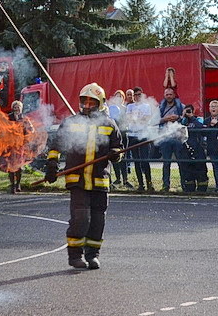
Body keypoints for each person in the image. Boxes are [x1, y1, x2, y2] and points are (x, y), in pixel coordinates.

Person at [53, 83, 124, 269]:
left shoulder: (109, 124)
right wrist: (52, 164)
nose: (87, 105)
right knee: (81, 218)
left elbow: (119, 148)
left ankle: (93, 254)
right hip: (77, 180)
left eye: (91, 102)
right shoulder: (71, 122)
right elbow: (56, 145)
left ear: (100, 103)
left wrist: (116, 153)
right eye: (84, 101)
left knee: (98, 221)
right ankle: (75, 255)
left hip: (100, 180)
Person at [0, 101, 33, 193]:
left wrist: (27, 136)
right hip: (10, 144)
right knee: (11, 165)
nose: (17, 109)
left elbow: (30, 129)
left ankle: (18, 184)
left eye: (18, 107)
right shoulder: (9, 117)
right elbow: (3, 128)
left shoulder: (24, 118)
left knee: (19, 165)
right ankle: (12, 185)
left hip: (20, 145)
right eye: (15, 107)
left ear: (21, 108)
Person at [124, 87, 155, 191]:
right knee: (136, 161)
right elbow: (128, 119)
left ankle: (149, 183)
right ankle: (141, 184)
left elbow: (146, 119)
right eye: (135, 95)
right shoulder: (130, 106)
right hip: (133, 135)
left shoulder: (146, 106)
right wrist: (136, 119)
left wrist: (135, 118)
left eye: (139, 94)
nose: (137, 97)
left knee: (145, 160)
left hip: (143, 135)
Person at [157, 85, 185, 192]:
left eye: (170, 94)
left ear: (174, 95)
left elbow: (186, 119)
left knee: (181, 162)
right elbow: (155, 121)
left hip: (178, 138)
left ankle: (184, 185)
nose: (168, 96)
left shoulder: (181, 106)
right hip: (165, 138)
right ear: (164, 96)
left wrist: (178, 117)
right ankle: (165, 186)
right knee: (166, 163)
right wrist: (165, 119)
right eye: (167, 94)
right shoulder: (160, 108)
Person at [179, 104, 207, 192]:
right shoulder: (183, 121)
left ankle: (202, 189)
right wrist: (182, 117)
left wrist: (192, 117)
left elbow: (201, 127)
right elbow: (175, 128)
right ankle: (189, 188)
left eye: (189, 111)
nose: (188, 113)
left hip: (198, 149)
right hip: (185, 150)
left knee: (200, 170)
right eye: (186, 111)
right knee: (187, 171)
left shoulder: (198, 119)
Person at [107, 89, 131, 188]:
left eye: (120, 96)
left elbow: (128, 120)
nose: (118, 98)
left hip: (124, 134)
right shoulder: (110, 109)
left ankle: (125, 179)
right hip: (115, 135)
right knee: (115, 155)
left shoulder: (126, 109)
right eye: (116, 96)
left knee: (124, 157)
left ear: (123, 98)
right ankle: (118, 178)